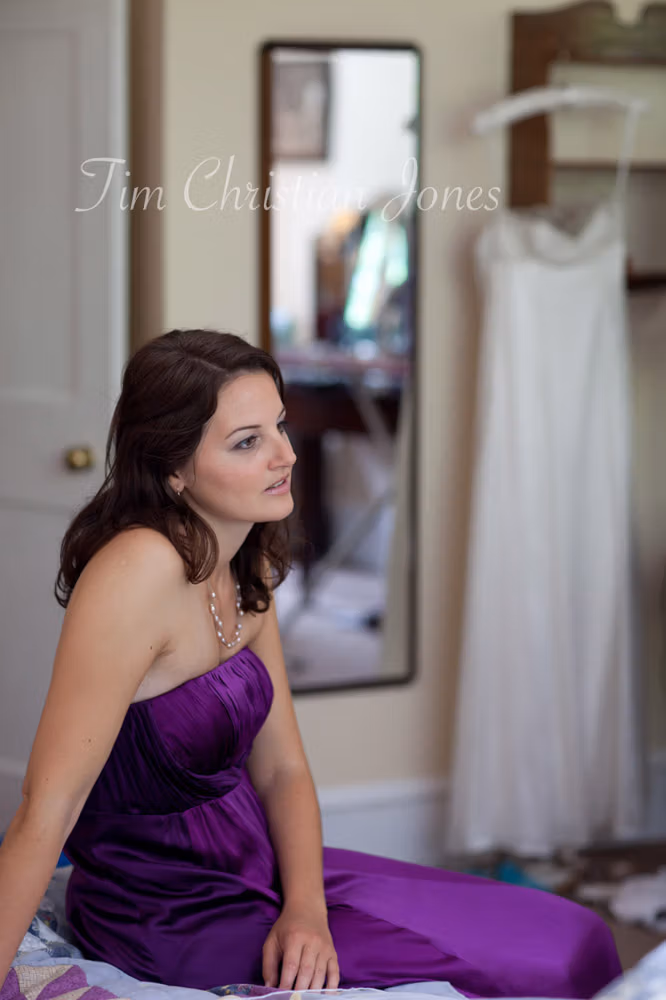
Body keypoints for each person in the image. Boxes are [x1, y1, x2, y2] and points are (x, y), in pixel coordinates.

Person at [0, 330, 622, 999]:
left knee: (571, 933)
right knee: (536, 969)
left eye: (280, 426)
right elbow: (49, 806)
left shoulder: (245, 555)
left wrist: (306, 910)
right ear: (173, 468)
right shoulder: (134, 573)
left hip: (262, 871)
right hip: (170, 917)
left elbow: (284, 769)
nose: (286, 455)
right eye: (248, 441)